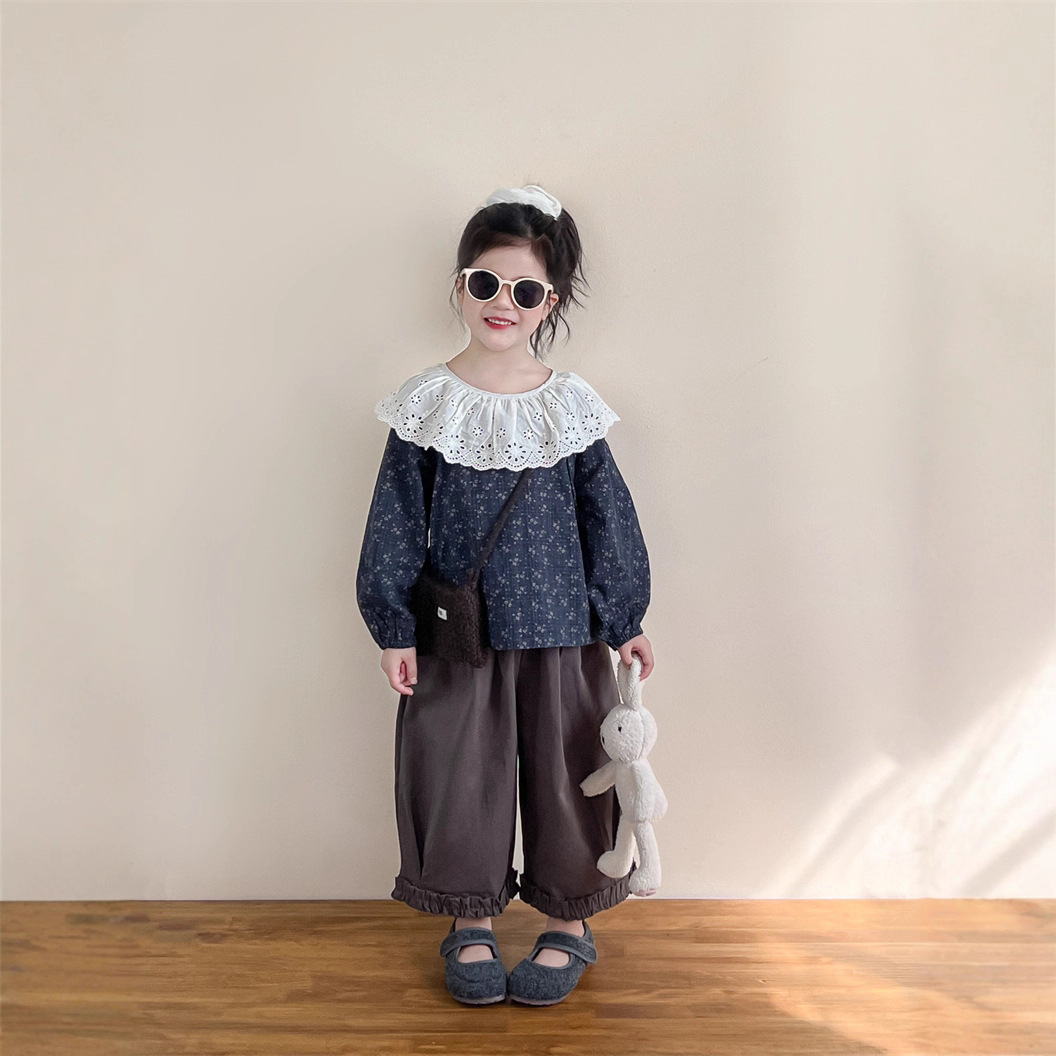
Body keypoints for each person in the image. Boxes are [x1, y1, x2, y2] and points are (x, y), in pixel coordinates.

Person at [356, 183, 654, 1006]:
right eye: (486, 283)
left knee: (570, 775)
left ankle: (569, 924)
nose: (502, 303)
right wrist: (393, 628)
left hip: (563, 630)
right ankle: (470, 917)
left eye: (525, 291)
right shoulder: (425, 404)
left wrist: (625, 617)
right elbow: (394, 520)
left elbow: (606, 514)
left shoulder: (571, 407)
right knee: (459, 777)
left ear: (547, 302)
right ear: (461, 285)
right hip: (458, 637)